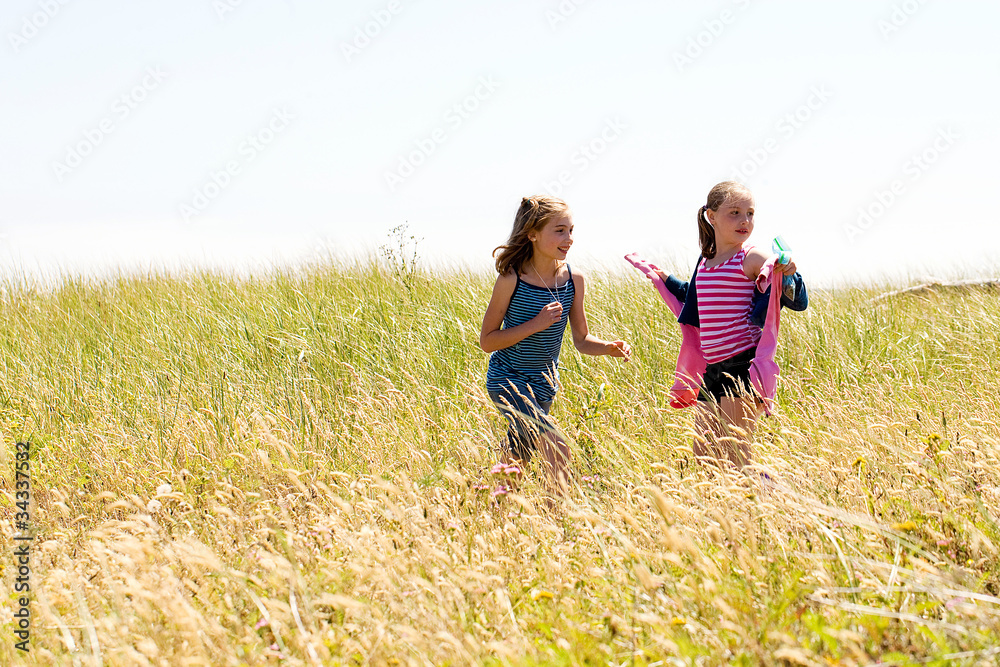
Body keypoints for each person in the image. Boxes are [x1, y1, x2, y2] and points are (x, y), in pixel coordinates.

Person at [626, 181, 807, 470]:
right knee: (705, 456)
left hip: (742, 368)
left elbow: (789, 293)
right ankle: (723, 511)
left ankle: (765, 506)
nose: (744, 221)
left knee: (736, 456)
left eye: (749, 213)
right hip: (713, 369)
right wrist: (663, 277)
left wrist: (787, 273)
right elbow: (694, 298)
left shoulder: (749, 257)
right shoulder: (706, 262)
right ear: (711, 216)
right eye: (734, 212)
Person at [480, 196, 631, 495]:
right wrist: (535, 324)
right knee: (557, 445)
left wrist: (608, 347)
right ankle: (558, 520)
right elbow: (487, 340)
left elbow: (581, 339)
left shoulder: (574, 279)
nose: (569, 239)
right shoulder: (512, 278)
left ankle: (490, 509)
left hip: (544, 384)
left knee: (517, 457)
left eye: (571, 230)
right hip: (507, 380)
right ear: (532, 233)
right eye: (560, 230)